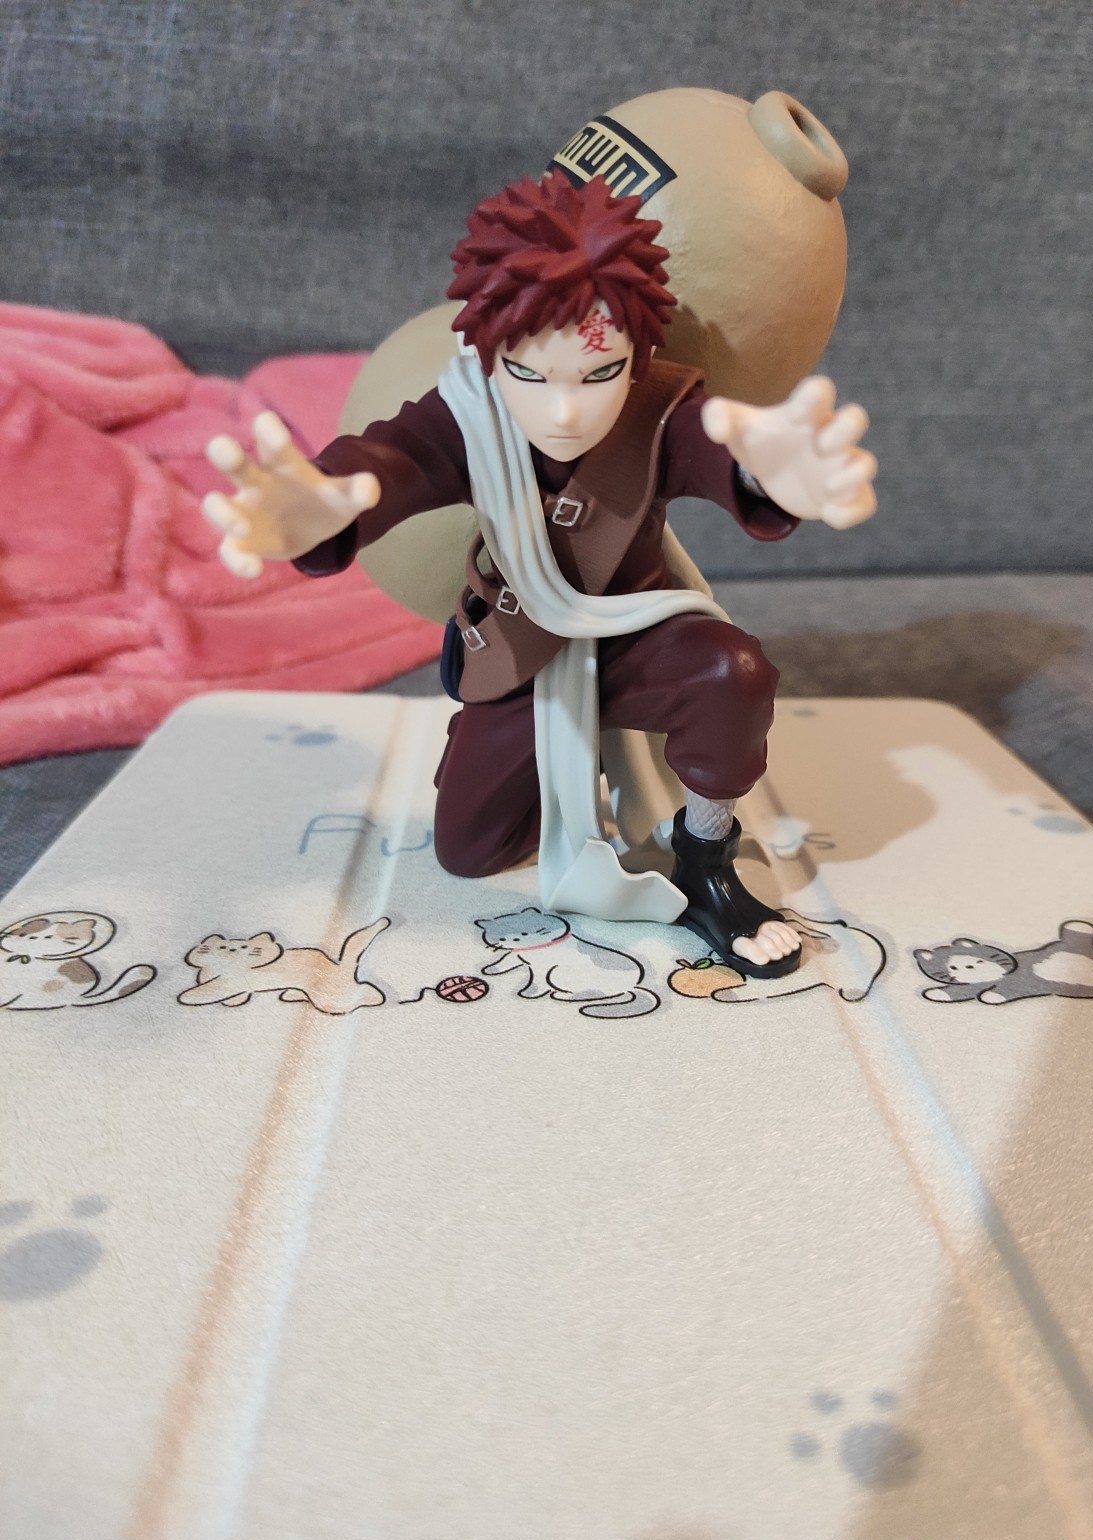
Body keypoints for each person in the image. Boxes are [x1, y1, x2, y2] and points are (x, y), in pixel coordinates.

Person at [202, 171, 876, 978]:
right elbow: (393, 460)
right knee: (469, 849)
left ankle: (705, 857)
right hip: (522, 653)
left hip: (637, 638)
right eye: (531, 373)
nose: (564, 411)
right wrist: (322, 503)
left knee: (732, 671)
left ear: (639, 354)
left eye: (597, 374)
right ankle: (572, 769)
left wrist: (769, 472)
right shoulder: (469, 411)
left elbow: (715, 445)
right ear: (490, 351)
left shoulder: (659, 410)